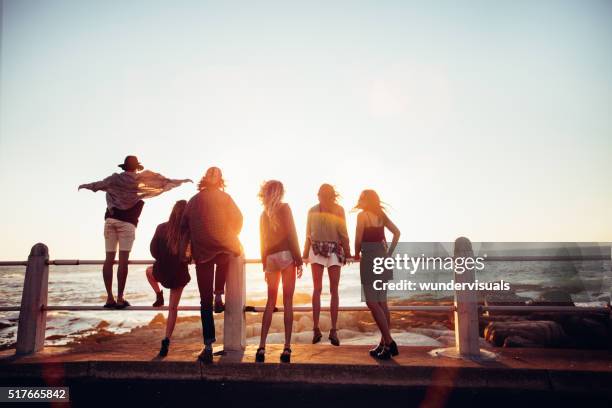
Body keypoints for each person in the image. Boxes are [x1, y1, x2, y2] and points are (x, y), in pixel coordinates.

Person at [78, 155, 191, 309]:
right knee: (123, 261)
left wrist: (86, 186)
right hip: (127, 224)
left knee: (108, 260)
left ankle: (109, 299)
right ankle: (120, 298)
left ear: (124, 167)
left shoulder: (114, 179)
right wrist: (180, 181)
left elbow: (99, 185)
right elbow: (162, 182)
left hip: (110, 221)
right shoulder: (139, 179)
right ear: (136, 167)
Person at [182, 167, 243, 364]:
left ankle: (208, 345)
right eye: (211, 173)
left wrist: (195, 239)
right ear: (209, 178)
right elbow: (238, 219)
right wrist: (229, 234)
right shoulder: (209, 199)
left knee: (205, 300)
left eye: (215, 174)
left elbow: (184, 224)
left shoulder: (196, 200)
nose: (213, 176)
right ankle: (208, 344)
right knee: (205, 300)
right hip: (210, 250)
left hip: (206, 251)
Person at [256, 181, 303, 363]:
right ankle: (287, 347)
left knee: (270, 302)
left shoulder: (263, 214)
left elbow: (262, 241)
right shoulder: (285, 208)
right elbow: (292, 234)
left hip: (270, 259)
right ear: (280, 193)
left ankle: (261, 347)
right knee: (288, 302)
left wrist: (264, 264)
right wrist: (298, 260)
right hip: (285, 256)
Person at [353, 190, 400, 360]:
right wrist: (389, 253)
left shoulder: (362, 216)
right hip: (383, 256)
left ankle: (389, 342)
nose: (359, 200)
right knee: (382, 302)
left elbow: (358, 237)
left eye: (361, 197)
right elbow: (397, 232)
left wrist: (356, 254)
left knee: (371, 301)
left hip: (370, 257)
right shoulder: (381, 215)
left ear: (367, 200)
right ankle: (384, 344)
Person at [302, 184, 351, 346]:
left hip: (335, 249)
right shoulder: (312, 210)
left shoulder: (339, 210)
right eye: (320, 195)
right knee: (317, 289)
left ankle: (333, 330)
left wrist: (348, 253)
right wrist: (303, 255)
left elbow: (344, 234)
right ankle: (316, 329)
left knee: (333, 290)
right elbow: (307, 234)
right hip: (316, 249)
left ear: (331, 196)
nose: (321, 198)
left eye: (324, 195)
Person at [145, 200, 191, 357]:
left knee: (148, 271)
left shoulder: (161, 227)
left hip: (163, 271)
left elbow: (153, 251)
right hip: (179, 274)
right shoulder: (187, 231)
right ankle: (166, 340)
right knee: (173, 309)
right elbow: (190, 255)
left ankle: (158, 294)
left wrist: (163, 258)